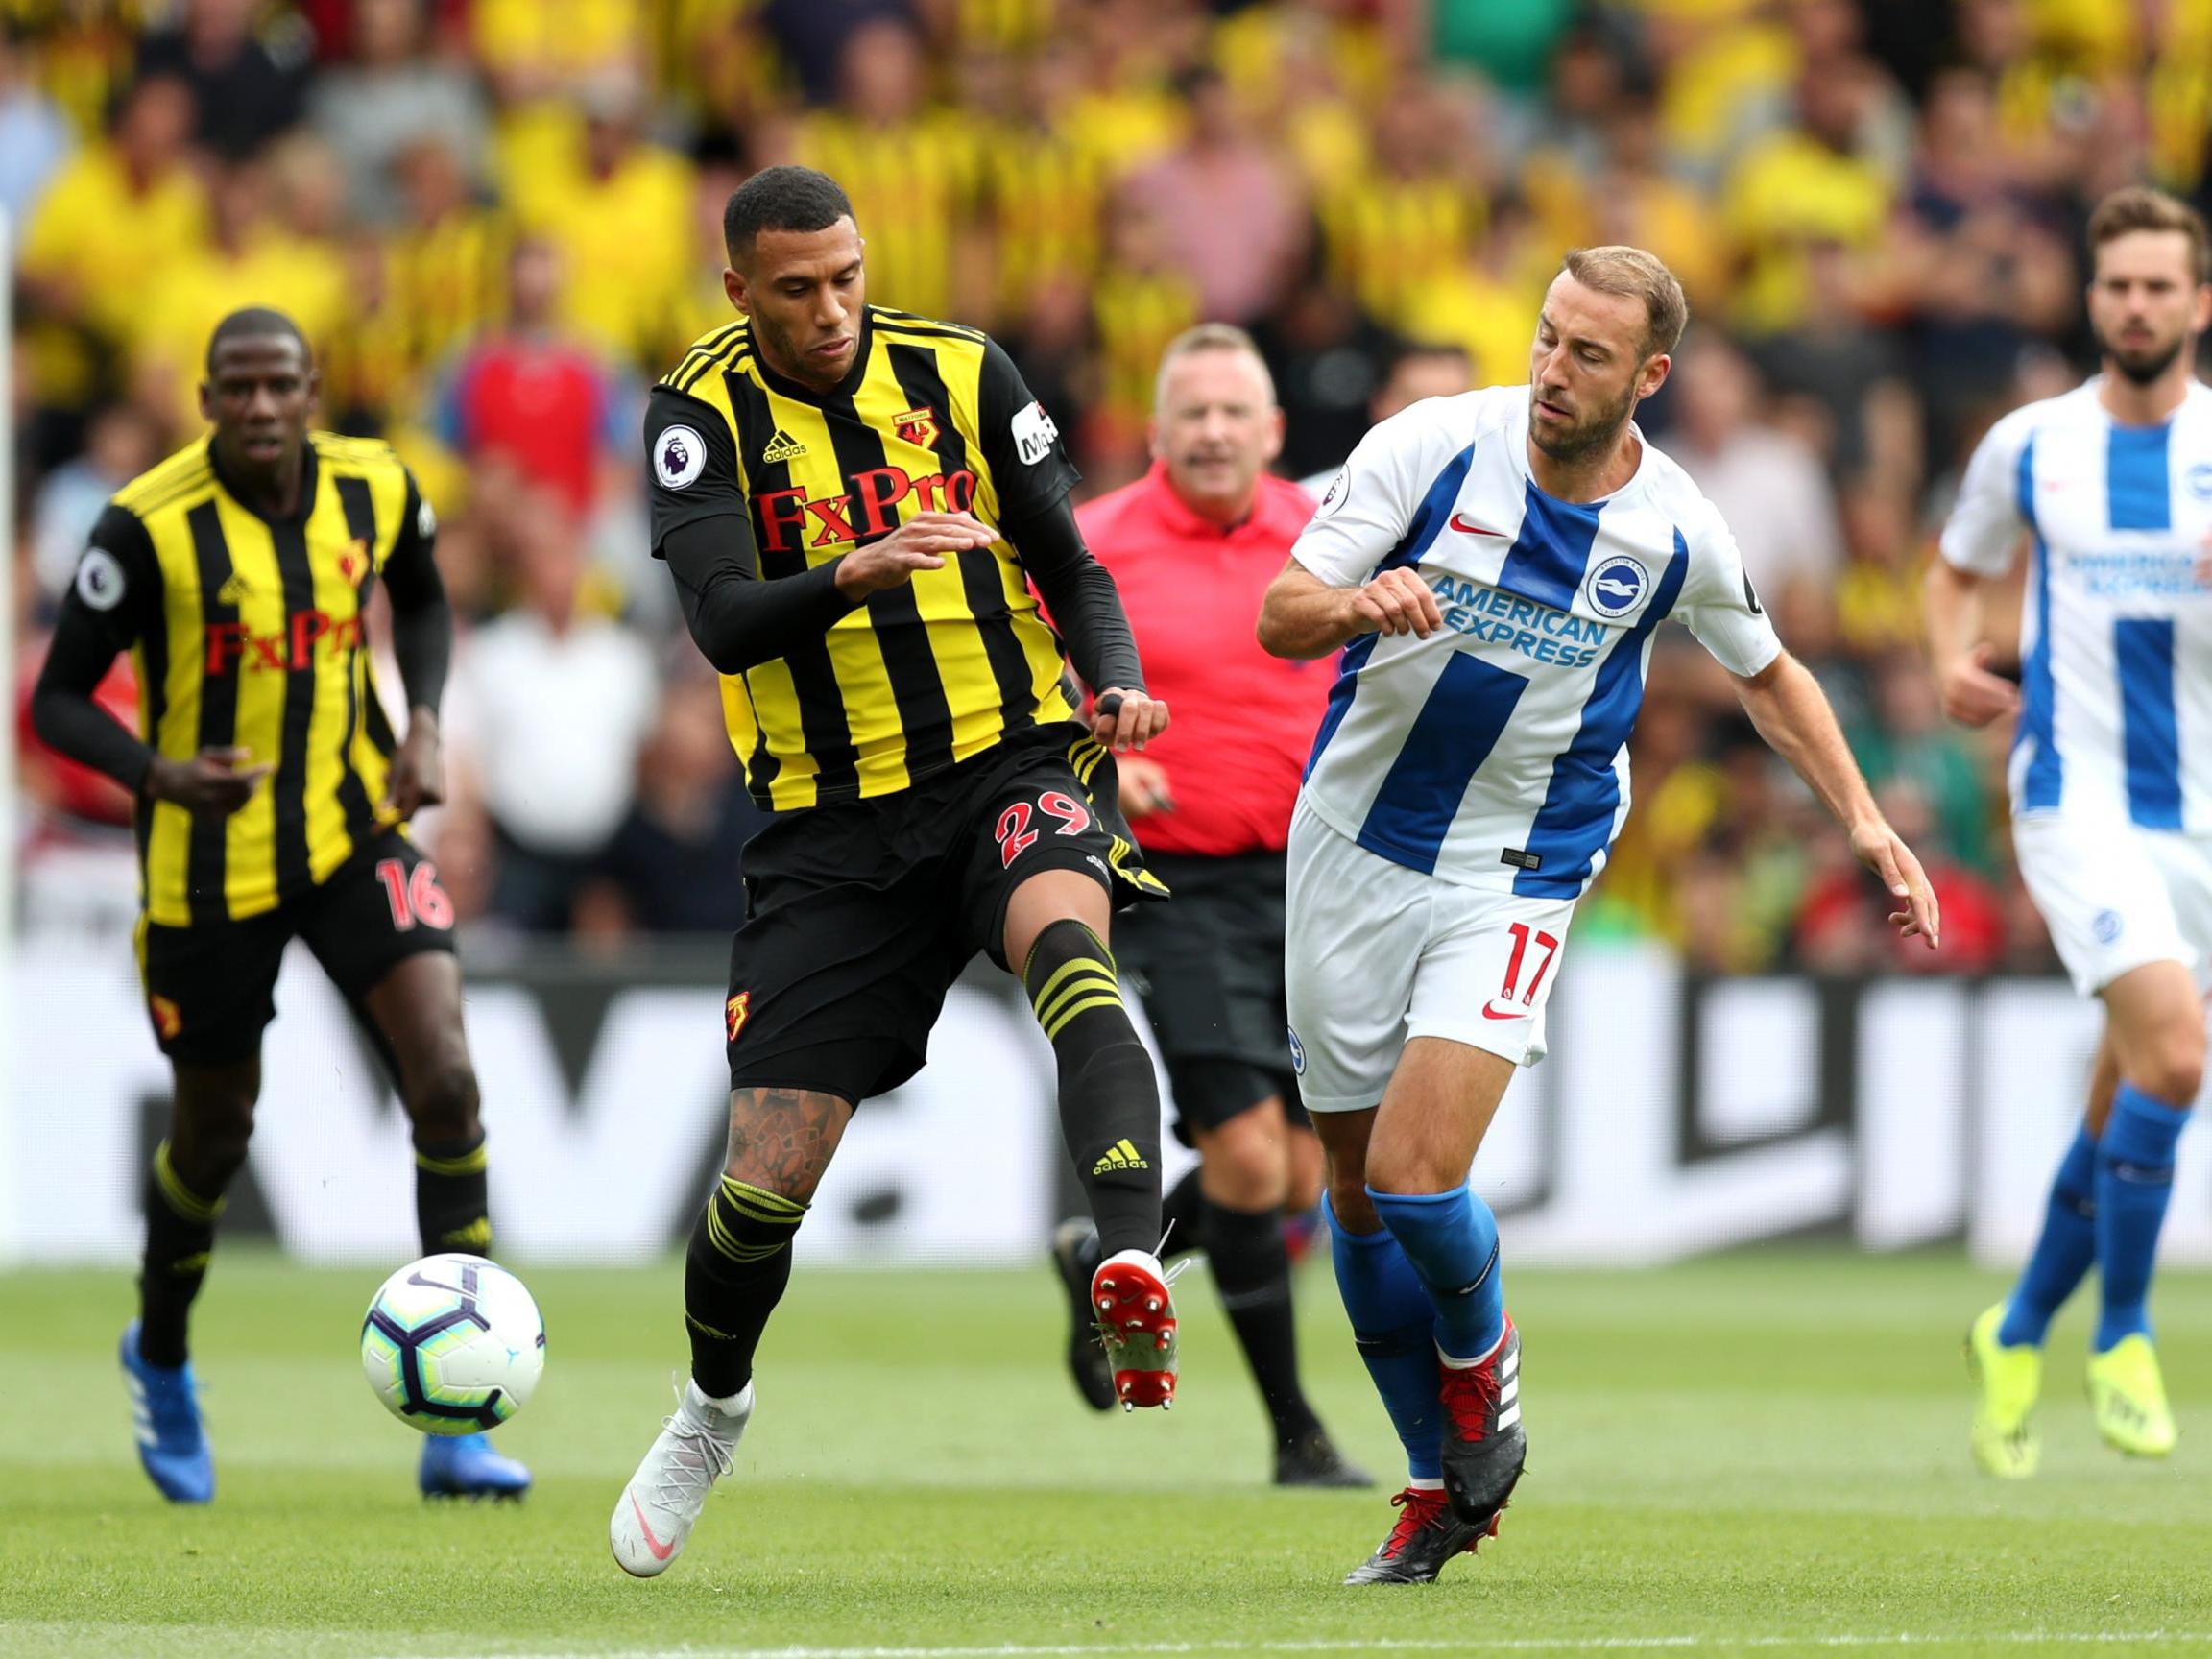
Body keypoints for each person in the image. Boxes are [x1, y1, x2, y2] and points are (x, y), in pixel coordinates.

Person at [1257, 245, 1937, 1585]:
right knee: (1348, 1187)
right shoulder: (1430, 449)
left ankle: (1483, 1364)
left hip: (1522, 857)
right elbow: (1283, 613)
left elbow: (1771, 673)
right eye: (1547, 337)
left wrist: (1863, 817)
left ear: (1649, 375)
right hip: (1348, 844)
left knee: (1411, 1173)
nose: (1551, 370)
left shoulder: (1677, 527)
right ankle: (1432, 1482)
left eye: (1586, 353)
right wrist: (1356, 601)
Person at [611, 165, 1177, 1578]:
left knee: (1072, 948)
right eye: (795, 289)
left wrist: (1113, 686)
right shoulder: (696, 414)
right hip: (830, 833)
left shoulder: (964, 371)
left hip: (1008, 760)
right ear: (740, 291)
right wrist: (860, 570)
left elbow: (1074, 566)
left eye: (846, 276)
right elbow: (727, 623)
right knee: (764, 1185)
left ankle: (1130, 1260)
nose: (831, 311)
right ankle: (712, 1406)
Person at [29, 308, 528, 1505]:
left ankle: (456, 1417)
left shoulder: (377, 486)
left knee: (447, 1077)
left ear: (314, 393)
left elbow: (422, 602)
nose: (260, 408)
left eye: (281, 387)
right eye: (237, 390)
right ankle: (159, 1353)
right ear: (205, 400)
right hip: (208, 862)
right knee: (214, 1134)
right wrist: (156, 773)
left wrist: (420, 724)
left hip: (354, 826)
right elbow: (55, 701)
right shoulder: (145, 525)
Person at [1049, 323, 1367, 1489]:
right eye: (1195, 413)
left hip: (1320, 880)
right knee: (1245, 1163)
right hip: (1174, 880)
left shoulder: (1329, 535)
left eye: (1238, 412)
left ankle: (1109, 1260)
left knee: (1294, 1176)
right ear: (1157, 430)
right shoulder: (1094, 544)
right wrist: (1097, 760)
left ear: (1276, 432)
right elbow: (1023, 679)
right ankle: (1296, 1435)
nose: (1217, 431)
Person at [1931, 185, 2212, 1479]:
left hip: (2198, 818)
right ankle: (2125, 1336)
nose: (2138, 305)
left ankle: (2018, 1324)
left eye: (2161, 285)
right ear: (2092, 300)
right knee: (2177, 1053)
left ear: (2198, 304)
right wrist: (1949, 661)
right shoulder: (2032, 444)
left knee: (2124, 1093)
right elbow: (1954, 566)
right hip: (2073, 795)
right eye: (2118, 286)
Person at [1295, 342, 1475, 497]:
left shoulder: (1498, 505)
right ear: (1381, 404)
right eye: (1417, 404)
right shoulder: (1312, 502)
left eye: (1456, 406)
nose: (1439, 423)